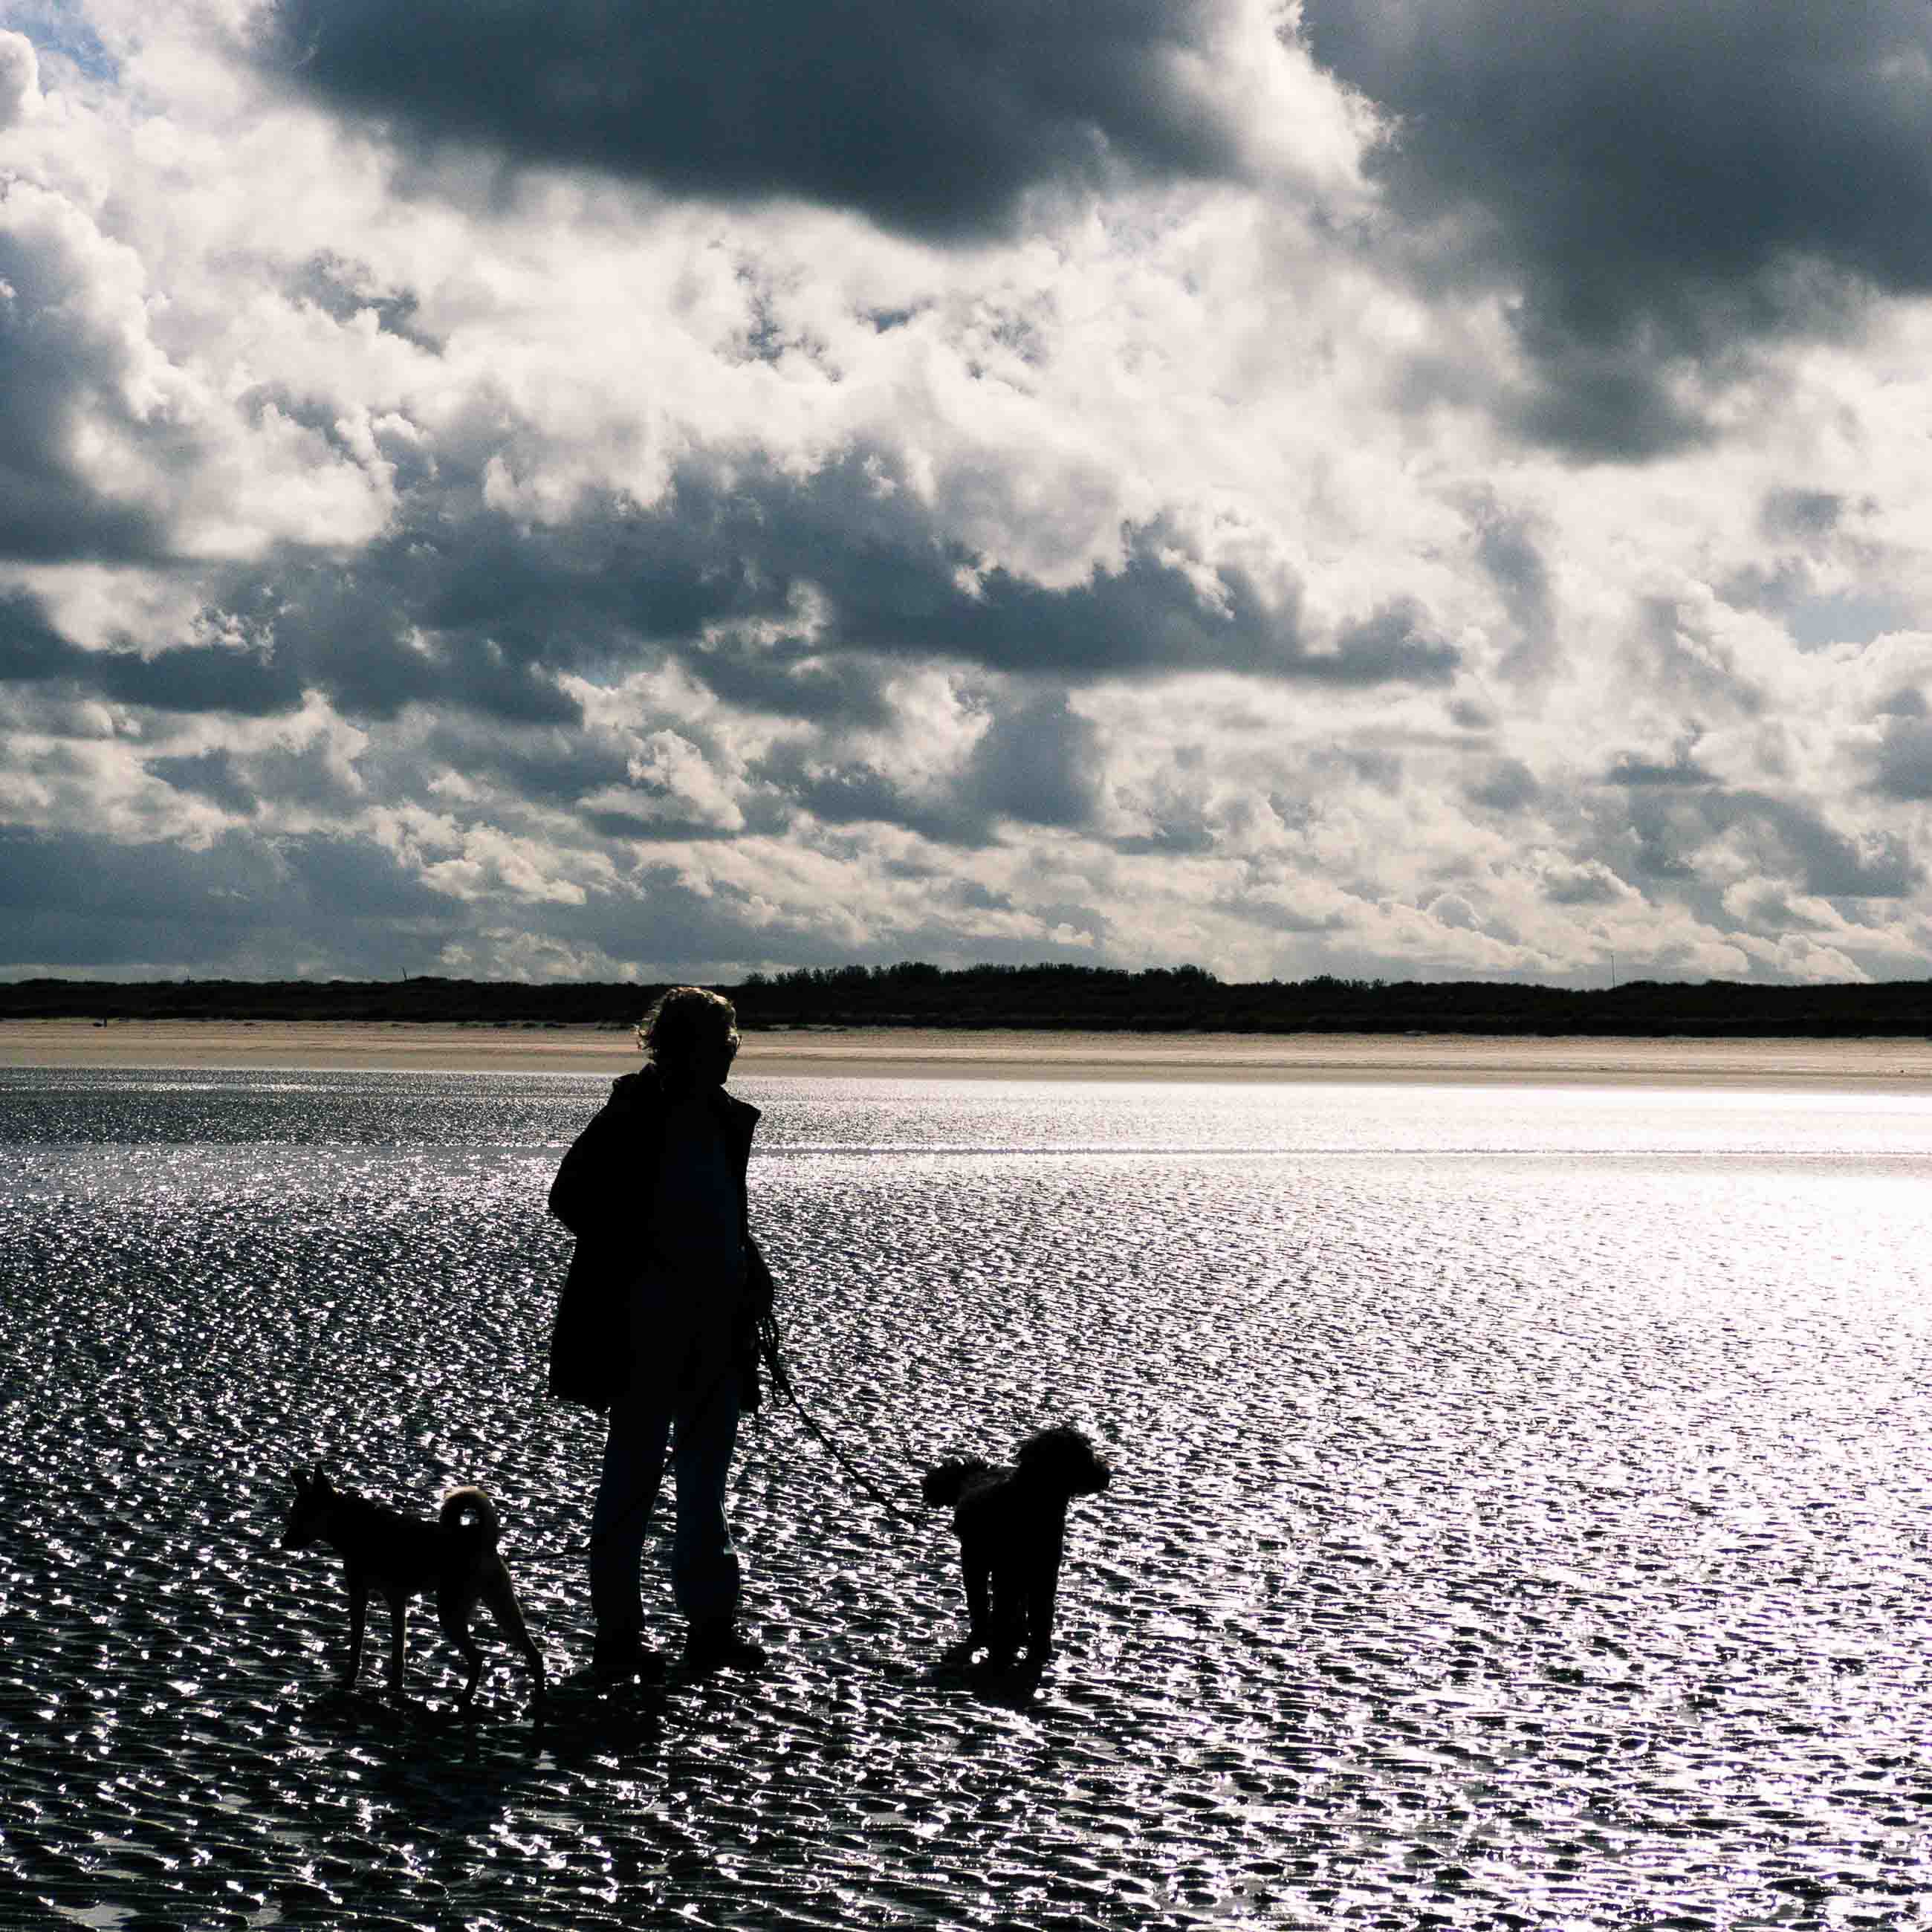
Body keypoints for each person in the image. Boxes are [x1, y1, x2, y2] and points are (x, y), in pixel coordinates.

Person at [547, 985, 774, 1679]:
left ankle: (710, 1627)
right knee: (634, 1482)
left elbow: (722, 1214)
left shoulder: (724, 1119)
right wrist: (648, 1252)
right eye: (721, 1046)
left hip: (715, 1333)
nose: (731, 1057)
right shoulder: (633, 1112)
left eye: (732, 1046)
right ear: (680, 1048)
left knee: (705, 1484)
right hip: (643, 1330)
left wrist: (752, 1270)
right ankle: (618, 1636)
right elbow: (571, 1200)